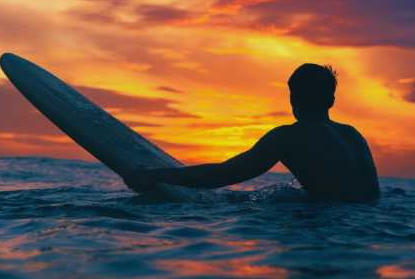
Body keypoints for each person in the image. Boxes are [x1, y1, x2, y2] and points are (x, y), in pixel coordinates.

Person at [124, 64, 380, 202]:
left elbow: (226, 174)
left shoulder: (290, 136)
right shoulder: (353, 135)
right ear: (331, 101)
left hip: (331, 224)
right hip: (367, 227)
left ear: (293, 99)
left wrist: (156, 176)